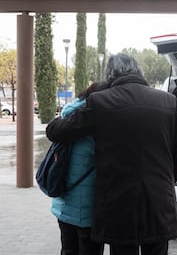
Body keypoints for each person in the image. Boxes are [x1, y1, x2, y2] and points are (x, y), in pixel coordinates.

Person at [46, 53, 177, 255]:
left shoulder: (101, 101)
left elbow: (57, 132)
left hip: (118, 205)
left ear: (110, 75)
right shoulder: (168, 101)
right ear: (139, 72)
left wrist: (62, 114)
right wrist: (165, 179)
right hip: (160, 201)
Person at [51, 81, 108, 255]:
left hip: (63, 205)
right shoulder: (96, 126)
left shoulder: (66, 118)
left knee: (68, 250)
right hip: (88, 210)